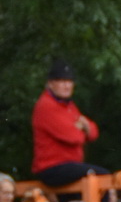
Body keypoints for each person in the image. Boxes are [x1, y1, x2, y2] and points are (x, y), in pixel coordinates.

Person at [30, 61, 108, 189]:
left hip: (69, 167)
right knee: (102, 176)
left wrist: (84, 127)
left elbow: (93, 133)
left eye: (69, 81)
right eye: (62, 81)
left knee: (83, 193)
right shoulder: (46, 106)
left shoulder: (69, 106)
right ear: (50, 84)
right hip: (52, 168)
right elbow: (73, 137)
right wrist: (83, 129)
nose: (67, 86)